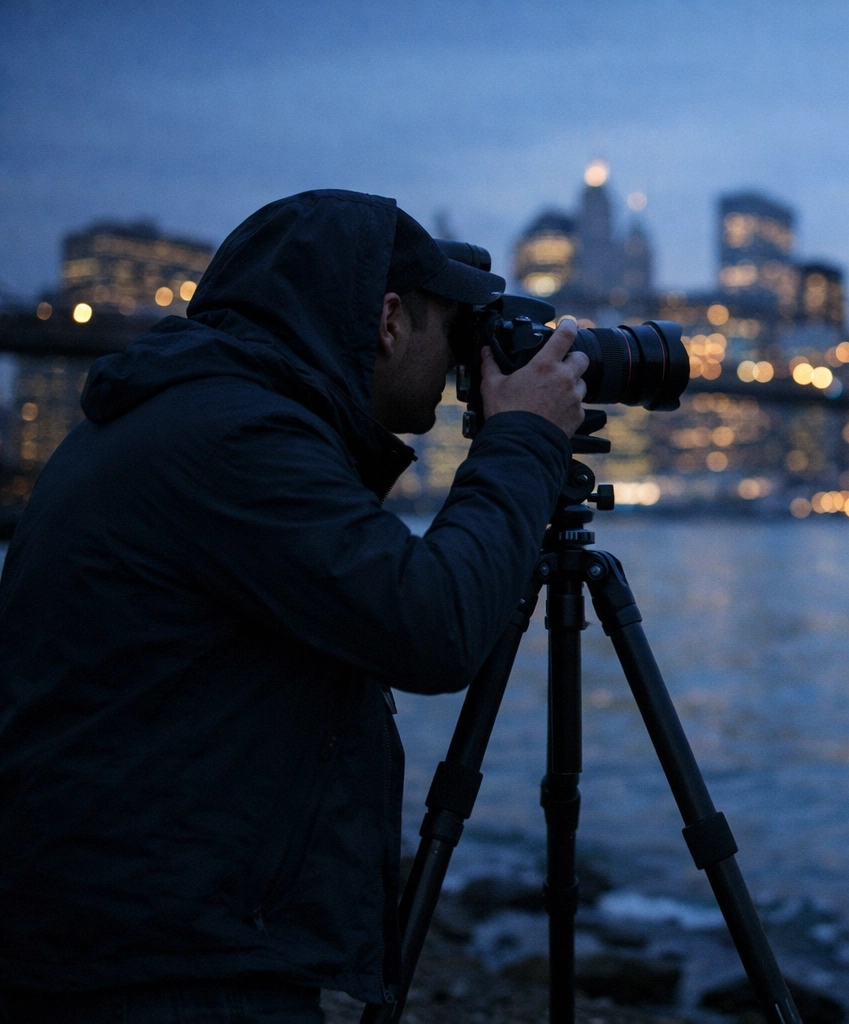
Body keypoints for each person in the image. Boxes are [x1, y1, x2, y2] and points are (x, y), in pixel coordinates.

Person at [0, 190, 589, 1022]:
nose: (464, 357)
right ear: (388, 321)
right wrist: (525, 438)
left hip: (126, 929)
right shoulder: (233, 440)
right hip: (156, 965)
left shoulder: (189, 411)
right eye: (450, 326)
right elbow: (434, 624)